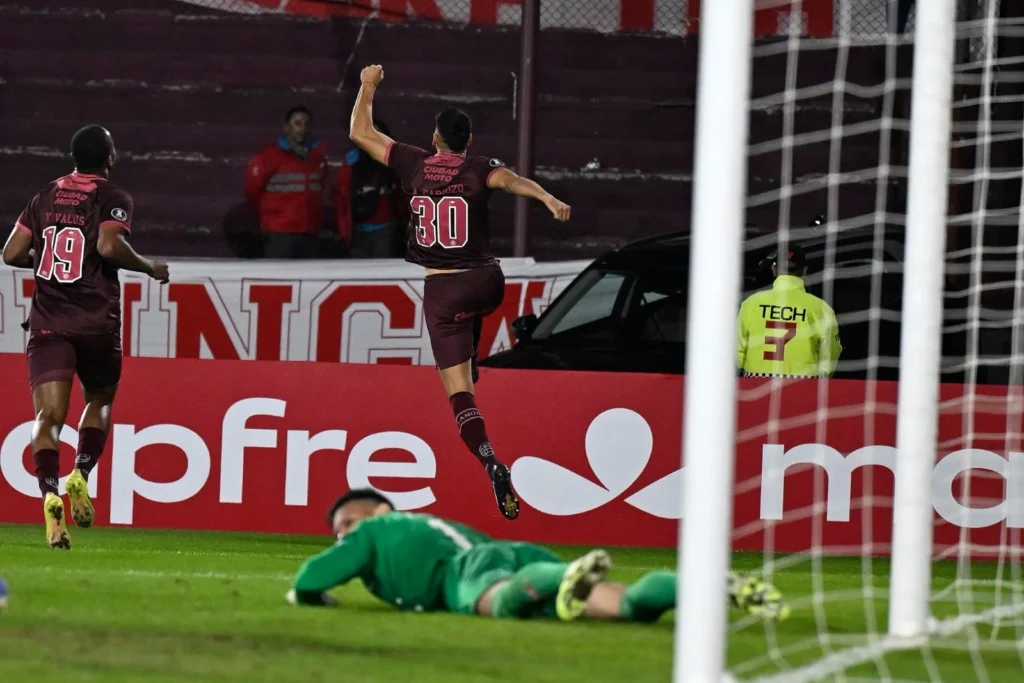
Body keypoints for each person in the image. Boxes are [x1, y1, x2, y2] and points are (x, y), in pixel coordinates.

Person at [347, 64, 572, 521]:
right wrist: (548, 198)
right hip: (487, 282)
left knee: (459, 393)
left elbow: (360, 133)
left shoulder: (414, 162)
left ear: (435, 138)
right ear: (469, 141)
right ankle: (472, 350)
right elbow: (512, 182)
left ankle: (491, 462)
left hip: (443, 291)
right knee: (476, 305)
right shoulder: (479, 167)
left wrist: (368, 85)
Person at [1, 125, 170, 549]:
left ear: (73, 157)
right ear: (110, 158)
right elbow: (110, 248)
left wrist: (47, 258)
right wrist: (149, 267)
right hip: (96, 321)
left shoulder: (45, 195)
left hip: (48, 323)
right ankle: (81, 471)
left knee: (47, 418)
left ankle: (49, 494)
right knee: (100, 399)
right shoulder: (112, 197)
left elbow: (11, 253)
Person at [287, 489, 790, 624]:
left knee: (498, 603)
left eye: (347, 522)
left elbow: (311, 576)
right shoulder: (432, 525)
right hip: (510, 554)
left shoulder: (377, 529)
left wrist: (310, 597)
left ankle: (562, 576)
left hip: (467, 572)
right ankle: (709, 585)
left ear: (378, 510)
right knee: (627, 607)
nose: (342, 535)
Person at [737, 244, 842, 378]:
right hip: (802, 386)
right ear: (804, 270)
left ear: (774, 269)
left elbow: (737, 351)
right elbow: (830, 354)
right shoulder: (820, 308)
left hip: (757, 384)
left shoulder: (751, 304)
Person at [244, 105, 328, 259]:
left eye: (307, 124)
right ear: (286, 127)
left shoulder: (317, 156)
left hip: (310, 230)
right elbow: (252, 191)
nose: (302, 129)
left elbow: (320, 186)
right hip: (279, 232)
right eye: (297, 124)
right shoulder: (267, 156)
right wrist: (269, 220)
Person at [337, 118, 409, 258]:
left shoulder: (393, 160)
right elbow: (342, 197)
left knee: (383, 269)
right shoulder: (351, 160)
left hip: (386, 229)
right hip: (357, 231)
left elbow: (402, 194)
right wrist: (343, 228)